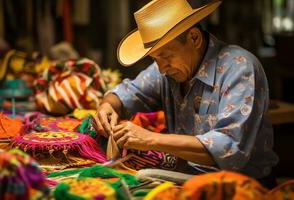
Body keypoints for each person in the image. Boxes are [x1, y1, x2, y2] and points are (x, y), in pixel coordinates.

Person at [94, 0, 278, 188]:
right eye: (155, 59)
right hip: (190, 178)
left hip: (242, 186)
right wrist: (108, 105)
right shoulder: (167, 70)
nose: (162, 68)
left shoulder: (240, 68)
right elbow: (126, 93)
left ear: (194, 38)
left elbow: (229, 148)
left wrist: (149, 139)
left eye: (166, 56)